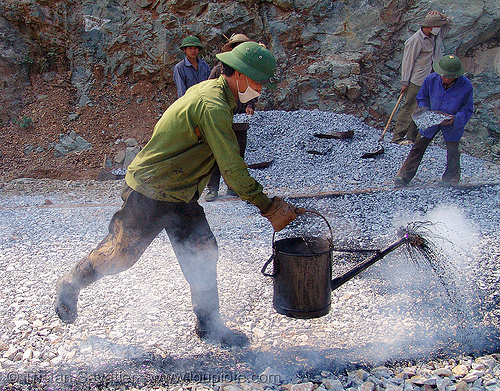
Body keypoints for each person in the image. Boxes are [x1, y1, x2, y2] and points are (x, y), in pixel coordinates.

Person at [55, 41, 305, 348]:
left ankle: (209, 327)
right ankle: (72, 283)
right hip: (151, 189)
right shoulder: (212, 105)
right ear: (238, 75)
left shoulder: (220, 97)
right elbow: (233, 170)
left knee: (203, 252)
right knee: (121, 253)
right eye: (257, 82)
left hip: (181, 193)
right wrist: (269, 206)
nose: (260, 89)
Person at [394, 55, 473, 188]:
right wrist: (425, 111)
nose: (443, 78)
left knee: (453, 149)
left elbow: (467, 109)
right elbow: (422, 97)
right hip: (432, 117)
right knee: (418, 145)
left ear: (455, 76)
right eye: (442, 75)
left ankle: (450, 179)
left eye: (447, 76)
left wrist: (455, 119)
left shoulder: (466, 86)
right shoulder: (431, 79)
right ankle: (404, 176)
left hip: (451, 119)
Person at [205, 33, 257, 202]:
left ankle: (233, 187)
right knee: (216, 152)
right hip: (221, 116)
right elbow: (209, 90)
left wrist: (250, 105)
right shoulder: (219, 69)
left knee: (238, 153)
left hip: (240, 118)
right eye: (236, 46)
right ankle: (212, 188)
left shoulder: (249, 69)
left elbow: (253, 90)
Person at [391, 10, 453, 145]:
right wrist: (404, 82)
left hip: (433, 79)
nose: (439, 29)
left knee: (423, 109)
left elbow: (450, 24)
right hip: (418, 80)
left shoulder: (436, 35)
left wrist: (442, 16)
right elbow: (408, 62)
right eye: (437, 26)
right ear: (429, 26)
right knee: (410, 107)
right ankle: (397, 137)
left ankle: (413, 138)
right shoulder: (415, 40)